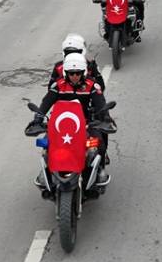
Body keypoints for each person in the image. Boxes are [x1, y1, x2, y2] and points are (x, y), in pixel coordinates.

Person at [27, 53, 112, 186]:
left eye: (78, 73)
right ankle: (47, 172)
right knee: (46, 143)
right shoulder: (58, 85)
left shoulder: (92, 86)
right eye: (71, 73)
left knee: (99, 144)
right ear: (66, 73)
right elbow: (46, 102)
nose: (74, 76)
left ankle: (99, 170)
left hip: (86, 124)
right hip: (60, 125)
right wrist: (38, 117)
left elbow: (100, 103)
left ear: (83, 72)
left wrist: (105, 116)